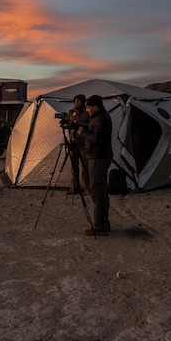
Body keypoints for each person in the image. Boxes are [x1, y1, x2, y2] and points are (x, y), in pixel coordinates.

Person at [78, 94, 112, 236]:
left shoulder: (101, 119)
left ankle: (100, 227)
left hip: (98, 158)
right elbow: (94, 129)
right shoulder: (100, 117)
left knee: (97, 190)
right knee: (101, 190)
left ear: (96, 107)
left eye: (88, 107)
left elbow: (96, 139)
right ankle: (103, 223)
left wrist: (83, 133)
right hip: (99, 156)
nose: (87, 109)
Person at [67, 94, 89, 195]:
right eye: (75, 101)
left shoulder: (87, 113)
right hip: (73, 141)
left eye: (79, 101)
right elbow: (68, 125)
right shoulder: (71, 113)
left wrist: (79, 125)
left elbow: (91, 125)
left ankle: (86, 187)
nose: (77, 103)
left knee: (85, 166)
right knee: (74, 166)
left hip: (84, 142)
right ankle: (74, 187)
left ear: (83, 102)